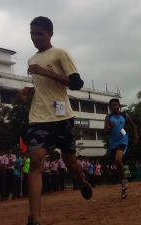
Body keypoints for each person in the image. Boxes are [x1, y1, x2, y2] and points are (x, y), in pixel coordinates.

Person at [18, 16, 92, 225]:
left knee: (70, 162)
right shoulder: (31, 60)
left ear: (50, 34)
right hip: (39, 116)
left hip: (62, 116)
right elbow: (44, 89)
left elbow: (76, 83)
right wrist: (29, 89)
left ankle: (82, 181)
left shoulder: (60, 54)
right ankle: (36, 218)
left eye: (39, 33)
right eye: (32, 34)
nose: (35, 38)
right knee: (36, 159)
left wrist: (45, 72)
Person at [104, 98, 138, 199]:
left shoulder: (125, 115)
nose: (114, 107)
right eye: (112, 105)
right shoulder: (108, 117)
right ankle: (123, 184)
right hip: (113, 143)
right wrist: (110, 127)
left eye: (116, 105)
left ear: (119, 106)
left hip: (123, 140)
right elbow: (105, 131)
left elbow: (133, 126)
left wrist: (136, 137)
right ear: (110, 107)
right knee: (118, 165)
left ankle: (123, 181)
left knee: (118, 160)